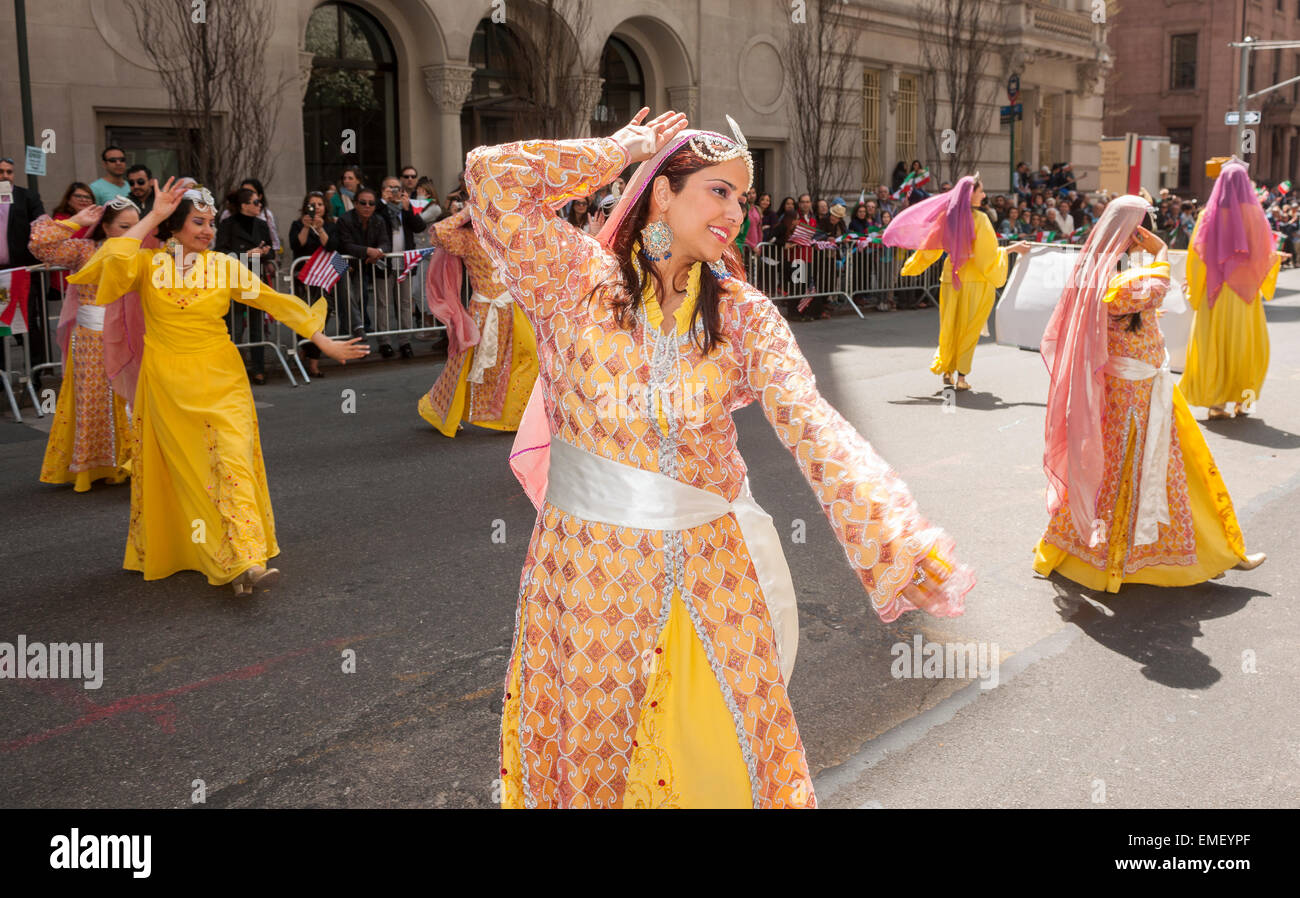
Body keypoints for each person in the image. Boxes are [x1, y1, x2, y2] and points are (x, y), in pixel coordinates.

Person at [468, 107, 974, 809]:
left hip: (711, 575)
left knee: (722, 758)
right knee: (596, 754)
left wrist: (893, 535)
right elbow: (491, 178)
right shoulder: (569, 283)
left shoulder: (741, 313)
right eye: (719, 190)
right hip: (588, 573)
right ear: (662, 192)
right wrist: (621, 149)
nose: (737, 211)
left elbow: (811, 421)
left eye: (744, 197)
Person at [66, 179, 368, 596]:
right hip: (169, 386)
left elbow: (272, 301)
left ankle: (245, 558)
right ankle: (208, 552)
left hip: (223, 379)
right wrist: (151, 215)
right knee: (192, 476)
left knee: (232, 461)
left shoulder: (223, 266)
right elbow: (110, 262)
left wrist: (323, 341)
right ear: (173, 225)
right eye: (197, 222)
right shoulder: (148, 265)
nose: (208, 231)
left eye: (211, 222)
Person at [1033, 196, 1265, 591]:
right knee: (1132, 472)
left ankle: (1221, 550)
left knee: (1172, 469)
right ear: (1130, 233)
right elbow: (1155, 290)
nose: (1148, 233)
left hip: (1147, 389)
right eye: (1143, 225)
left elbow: (1154, 298)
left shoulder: (1105, 272)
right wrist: (1159, 251)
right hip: (1132, 397)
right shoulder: (1114, 282)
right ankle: (1115, 560)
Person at [29, 197, 139, 490]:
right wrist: (75, 222)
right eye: (124, 226)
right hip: (92, 338)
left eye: (137, 227)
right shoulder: (85, 249)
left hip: (130, 335)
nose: (132, 233)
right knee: (94, 399)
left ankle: (135, 461)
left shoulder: (144, 253)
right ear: (105, 226)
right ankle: (95, 467)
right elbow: (39, 245)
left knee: (131, 398)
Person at [885, 175, 1030, 390]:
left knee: (949, 327)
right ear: (970, 195)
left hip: (950, 280)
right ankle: (961, 377)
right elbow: (987, 257)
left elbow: (931, 247)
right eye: (980, 191)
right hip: (974, 282)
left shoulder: (947, 217)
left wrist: (911, 267)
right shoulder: (980, 220)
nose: (983, 195)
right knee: (968, 330)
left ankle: (946, 371)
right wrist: (1013, 248)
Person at [417, 205, 538, 436]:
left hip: (513, 309)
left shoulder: (509, 236)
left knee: (530, 356)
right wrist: (469, 210)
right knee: (464, 364)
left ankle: (514, 416)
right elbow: (438, 232)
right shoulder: (466, 239)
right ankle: (437, 410)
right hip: (483, 311)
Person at [1177, 161, 1282, 420]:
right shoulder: (1256, 216)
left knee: (1213, 348)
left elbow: (1196, 257)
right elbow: (1266, 254)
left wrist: (1195, 288)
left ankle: (1216, 404)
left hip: (1215, 294)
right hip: (1244, 296)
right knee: (1246, 348)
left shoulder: (1207, 215)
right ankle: (1244, 403)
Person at [215, 187, 275, 384]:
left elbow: (272, 251)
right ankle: (233, 369)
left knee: (257, 326)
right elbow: (220, 252)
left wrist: (264, 252)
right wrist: (246, 254)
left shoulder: (261, 224)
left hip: (255, 277)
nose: (259, 206)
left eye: (260, 202)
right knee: (234, 327)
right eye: (256, 202)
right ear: (244, 205)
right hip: (234, 278)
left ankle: (258, 369)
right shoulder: (227, 224)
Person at [1, 156, 49, 381]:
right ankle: (2, 375)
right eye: (1, 172)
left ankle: (35, 371)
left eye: (9, 172)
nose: (5, 176)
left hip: (22, 272)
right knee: (1, 323)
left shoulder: (27, 196)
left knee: (26, 321)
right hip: (0, 273)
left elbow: (42, 225)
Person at [289, 190, 339, 378]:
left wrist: (320, 229)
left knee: (321, 319)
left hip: (323, 279)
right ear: (305, 207)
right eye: (312, 204)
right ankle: (305, 351)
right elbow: (297, 245)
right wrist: (305, 226)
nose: (316, 208)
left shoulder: (331, 225)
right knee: (302, 317)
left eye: (320, 204)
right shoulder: (297, 224)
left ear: (325, 207)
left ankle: (314, 362)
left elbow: (332, 246)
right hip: (302, 277)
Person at [335, 186, 390, 342]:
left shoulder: (378, 220)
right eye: (363, 202)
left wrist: (377, 252)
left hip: (362, 265)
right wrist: (368, 251)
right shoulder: (345, 219)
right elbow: (345, 245)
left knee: (358, 299)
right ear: (355, 203)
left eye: (371, 203)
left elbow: (386, 243)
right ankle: (357, 329)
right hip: (339, 263)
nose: (367, 206)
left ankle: (352, 337)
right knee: (347, 299)